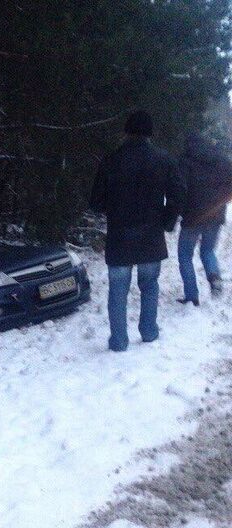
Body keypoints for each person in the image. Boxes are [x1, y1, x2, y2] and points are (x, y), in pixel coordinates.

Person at [90, 110, 186, 352]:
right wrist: (166, 221)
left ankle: (119, 342)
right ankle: (149, 332)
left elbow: (96, 202)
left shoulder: (111, 160)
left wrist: (113, 208)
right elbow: (178, 195)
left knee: (118, 290)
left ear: (127, 131)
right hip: (150, 234)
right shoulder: (164, 159)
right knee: (150, 284)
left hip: (119, 235)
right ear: (150, 133)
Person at [177, 133, 232, 305]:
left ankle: (192, 296)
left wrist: (180, 209)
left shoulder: (185, 161)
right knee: (208, 251)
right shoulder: (221, 159)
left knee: (185, 254)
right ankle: (214, 277)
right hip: (215, 215)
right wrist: (222, 201)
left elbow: (179, 188)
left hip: (192, 216)